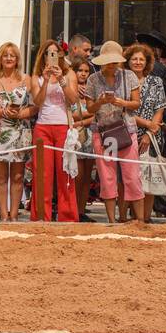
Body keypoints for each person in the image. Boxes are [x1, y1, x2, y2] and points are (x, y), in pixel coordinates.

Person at [85, 41, 143, 223]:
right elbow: (90, 109)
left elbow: (136, 103)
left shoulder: (129, 76)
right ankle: (111, 220)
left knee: (132, 176)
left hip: (126, 128)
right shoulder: (93, 80)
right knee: (107, 176)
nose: (111, 65)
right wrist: (101, 102)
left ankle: (139, 220)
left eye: (114, 61)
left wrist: (120, 102)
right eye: (108, 61)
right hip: (102, 131)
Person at [28, 39, 78, 222]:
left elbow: (74, 100)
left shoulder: (69, 74)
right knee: (42, 174)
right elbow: (38, 102)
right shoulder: (36, 77)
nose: (52, 57)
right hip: (43, 127)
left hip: (63, 126)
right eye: (49, 53)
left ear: (60, 55)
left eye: (55, 53)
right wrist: (46, 80)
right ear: (43, 56)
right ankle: (41, 215)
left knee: (65, 173)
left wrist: (62, 81)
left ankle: (68, 216)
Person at [0, 43, 31, 221]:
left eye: (12, 55)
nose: (9, 58)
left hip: (20, 133)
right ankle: (3, 216)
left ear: (17, 59)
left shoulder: (26, 79)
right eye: (5, 55)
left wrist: (20, 114)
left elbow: (34, 108)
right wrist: (3, 112)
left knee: (18, 176)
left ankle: (14, 216)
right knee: (0, 177)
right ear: (0, 59)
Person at [126, 43, 166, 224]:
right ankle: (134, 217)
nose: (137, 62)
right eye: (134, 58)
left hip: (151, 136)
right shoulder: (123, 81)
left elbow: (160, 108)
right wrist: (147, 124)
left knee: (149, 178)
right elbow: (125, 112)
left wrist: (149, 132)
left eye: (141, 59)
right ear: (128, 61)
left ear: (147, 62)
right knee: (132, 177)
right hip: (128, 133)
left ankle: (146, 218)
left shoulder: (156, 81)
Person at [69, 58, 96, 220]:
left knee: (87, 176)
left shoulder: (92, 90)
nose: (83, 74)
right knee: (76, 175)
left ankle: (81, 210)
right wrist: (87, 116)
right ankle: (72, 209)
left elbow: (97, 113)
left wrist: (82, 120)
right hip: (75, 136)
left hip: (90, 135)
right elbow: (69, 114)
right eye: (80, 71)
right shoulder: (70, 89)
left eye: (86, 71)